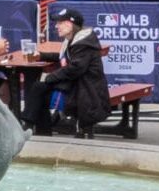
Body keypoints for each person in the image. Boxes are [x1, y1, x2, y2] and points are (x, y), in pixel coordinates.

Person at [29, 7, 108, 137]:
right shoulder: (75, 40)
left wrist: (50, 77)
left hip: (87, 93)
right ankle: (39, 128)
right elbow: (65, 58)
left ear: (70, 25)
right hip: (78, 87)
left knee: (40, 88)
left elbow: (75, 69)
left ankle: (30, 125)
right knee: (39, 88)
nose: (56, 26)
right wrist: (41, 56)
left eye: (60, 23)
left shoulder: (83, 44)